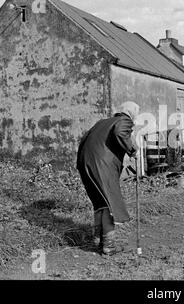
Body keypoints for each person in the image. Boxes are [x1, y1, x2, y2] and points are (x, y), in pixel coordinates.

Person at [77, 101, 140, 255]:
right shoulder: (123, 121)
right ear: (132, 113)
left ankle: (98, 240)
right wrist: (132, 150)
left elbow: (85, 138)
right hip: (102, 166)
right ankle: (109, 246)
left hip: (85, 162)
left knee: (100, 203)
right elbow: (120, 132)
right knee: (110, 204)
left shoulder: (102, 122)